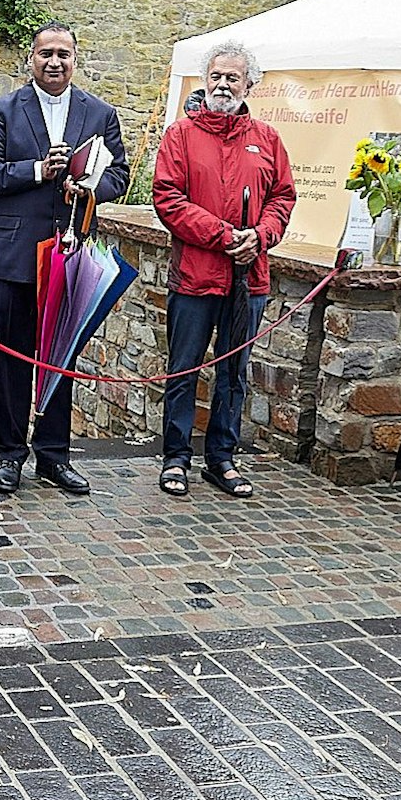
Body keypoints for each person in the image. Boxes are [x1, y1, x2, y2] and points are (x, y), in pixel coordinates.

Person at [0, 21, 130, 496]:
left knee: (61, 358)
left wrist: (90, 186)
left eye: (63, 53)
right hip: (17, 255)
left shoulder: (100, 113)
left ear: (75, 59)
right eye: (46, 54)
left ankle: (54, 457)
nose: (54, 62)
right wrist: (37, 170)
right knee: (15, 358)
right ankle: (10, 456)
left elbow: (118, 174)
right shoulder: (1, 111)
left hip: (73, 251)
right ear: (31, 59)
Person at [151, 40, 295, 499]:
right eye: (215, 76)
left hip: (248, 279)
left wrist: (261, 236)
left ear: (249, 83)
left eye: (232, 77)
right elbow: (168, 199)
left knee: (235, 370)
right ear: (204, 80)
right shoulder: (181, 135)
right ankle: (176, 457)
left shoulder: (267, 139)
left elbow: (282, 198)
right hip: (196, 274)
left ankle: (222, 457)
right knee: (184, 368)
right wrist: (223, 235)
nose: (222, 84)